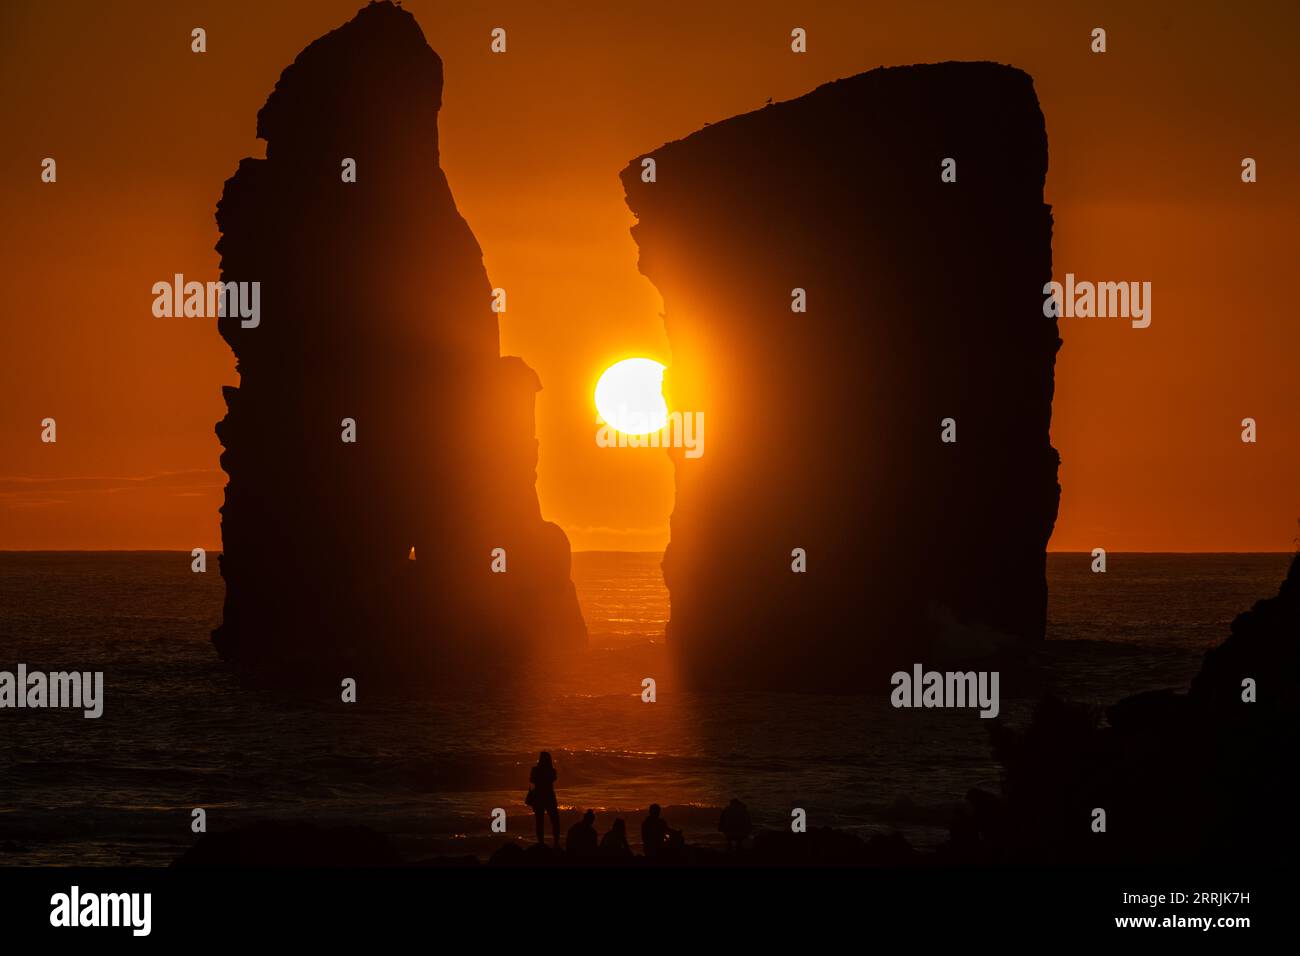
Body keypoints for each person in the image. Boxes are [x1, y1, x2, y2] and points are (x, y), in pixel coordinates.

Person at [527, 751, 560, 848]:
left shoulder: (535, 770)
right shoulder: (552, 770)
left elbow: (532, 780)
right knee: (554, 820)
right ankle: (555, 843)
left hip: (539, 797)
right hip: (549, 796)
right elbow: (553, 779)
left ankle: (541, 843)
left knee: (540, 821)